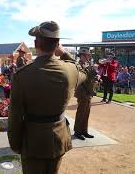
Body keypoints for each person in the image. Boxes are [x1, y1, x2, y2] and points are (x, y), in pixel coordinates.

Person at [8, 21, 87, 174]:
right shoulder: (71, 71)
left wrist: (15, 144)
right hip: (59, 137)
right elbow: (83, 71)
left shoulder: (22, 75)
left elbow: (15, 115)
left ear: (36, 43)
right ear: (57, 44)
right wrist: (64, 53)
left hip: (33, 140)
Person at [73, 47, 98, 140]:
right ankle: (78, 131)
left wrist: (96, 77)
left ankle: (84, 130)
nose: (87, 57)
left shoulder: (88, 64)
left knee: (86, 112)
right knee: (81, 112)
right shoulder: (78, 65)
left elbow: (91, 75)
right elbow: (82, 77)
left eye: (87, 55)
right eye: (85, 55)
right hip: (82, 91)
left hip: (89, 91)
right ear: (81, 56)